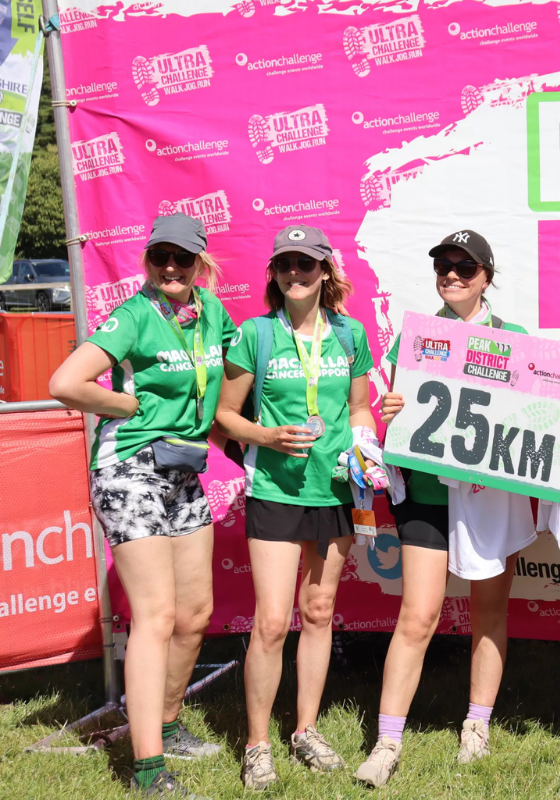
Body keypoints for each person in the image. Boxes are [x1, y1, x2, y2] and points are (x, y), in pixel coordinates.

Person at [49, 213, 231, 797]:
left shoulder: (212, 313)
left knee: (195, 613)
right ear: (147, 261)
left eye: (182, 258)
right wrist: (126, 408)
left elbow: (224, 386)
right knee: (153, 617)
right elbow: (66, 383)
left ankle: (169, 722)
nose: (171, 268)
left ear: (200, 263)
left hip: (182, 471)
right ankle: (147, 767)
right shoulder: (132, 316)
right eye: (160, 258)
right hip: (129, 473)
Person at [354, 230, 532, 788]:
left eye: (465, 266)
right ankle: (387, 740)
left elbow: (535, 417)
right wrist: (393, 405)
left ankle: (476, 726)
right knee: (419, 615)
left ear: (487, 275)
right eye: (444, 266)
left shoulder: (514, 337)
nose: (452, 275)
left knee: (489, 612)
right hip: (429, 493)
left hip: (490, 495)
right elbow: (385, 406)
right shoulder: (416, 334)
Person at [214, 225, 374, 791]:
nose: (295, 275)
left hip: (334, 490)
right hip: (276, 492)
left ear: (325, 272)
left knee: (322, 609)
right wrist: (266, 436)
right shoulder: (255, 335)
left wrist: (366, 449)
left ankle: (305, 728)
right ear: (274, 274)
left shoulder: (352, 334)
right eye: (285, 265)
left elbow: (359, 409)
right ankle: (258, 742)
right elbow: (224, 418)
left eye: (306, 266)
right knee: (272, 621)